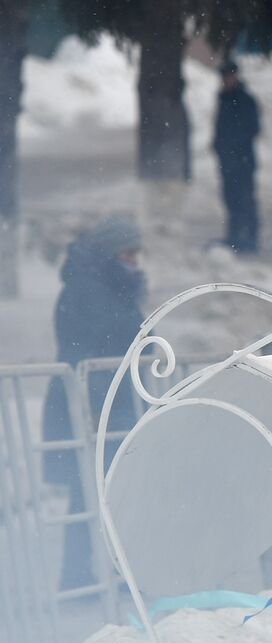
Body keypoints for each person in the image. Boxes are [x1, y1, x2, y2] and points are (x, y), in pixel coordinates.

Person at [41, 218, 146, 589]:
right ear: (108, 255)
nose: (135, 261)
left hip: (110, 403)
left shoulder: (111, 286)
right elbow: (93, 347)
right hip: (92, 405)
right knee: (96, 491)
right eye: (127, 253)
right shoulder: (86, 290)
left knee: (104, 491)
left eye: (137, 253)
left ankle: (95, 575)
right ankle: (88, 577)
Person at [212, 61, 260, 254]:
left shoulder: (246, 100)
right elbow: (220, 127)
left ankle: (249, 237)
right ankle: (234, 236)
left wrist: (234, 145)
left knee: (245, 198)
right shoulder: (223, 99)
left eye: (230, 76)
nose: (227, 80)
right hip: (228, 160)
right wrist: (219, 145)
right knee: (231, 199)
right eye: (224, 76)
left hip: (243, 159)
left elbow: (253, 128)